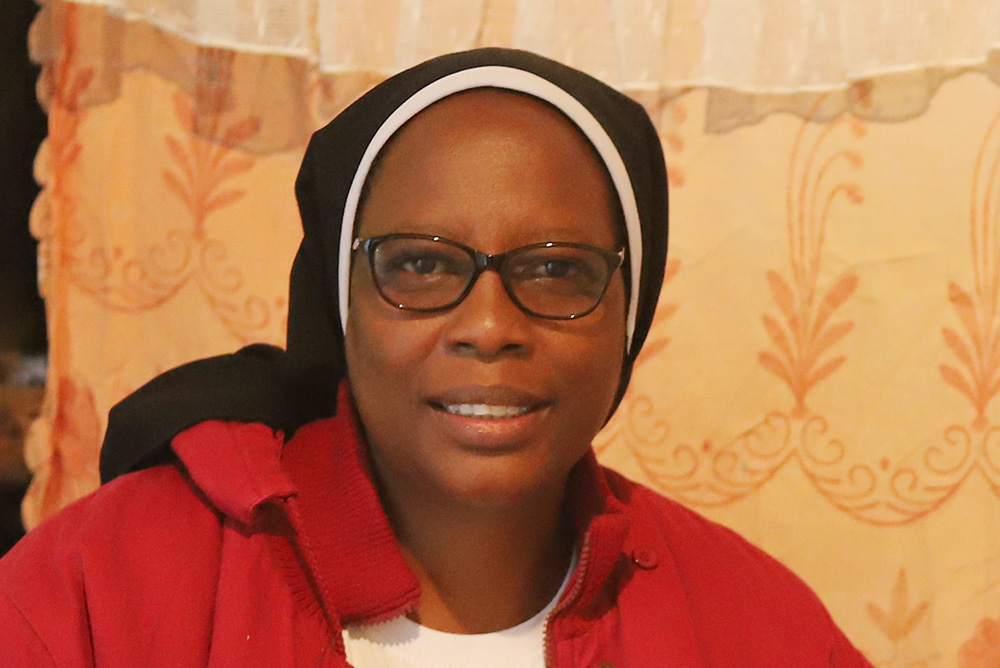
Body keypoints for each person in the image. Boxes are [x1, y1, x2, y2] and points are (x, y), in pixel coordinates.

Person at [0, 48, 873, 667]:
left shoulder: (759, 626)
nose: (488, 325)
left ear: (628, 318)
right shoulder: (95, 589)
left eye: (557, 269)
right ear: (341, 304)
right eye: (421, 264)